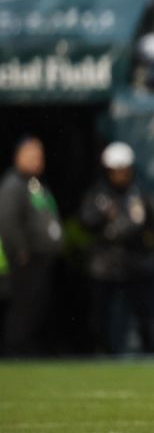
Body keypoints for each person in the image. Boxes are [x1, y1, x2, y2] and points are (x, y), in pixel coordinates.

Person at [79, 143, 154, 354]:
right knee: (100, 314)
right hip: (105, 265)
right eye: (116, 170)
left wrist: (148, 252)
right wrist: (104, 216)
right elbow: (86, 222)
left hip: (135, 263)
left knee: (143, 313)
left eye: (124, 169)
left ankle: (148, 352)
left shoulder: (141, 195)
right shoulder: (98, 196)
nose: (120, 175)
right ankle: (100, 351)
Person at [0, 138, 62, 356]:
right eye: (32, 155)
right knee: (22, 308)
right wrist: (20, 251)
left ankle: (25, 348)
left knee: (35, 307)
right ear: (18, 156)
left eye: (40, 155)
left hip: (40, 260)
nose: (38, 160)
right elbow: (7, 220)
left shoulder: (35, 184)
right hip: (23, 260)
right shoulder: (13, 184)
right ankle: (15, 350)